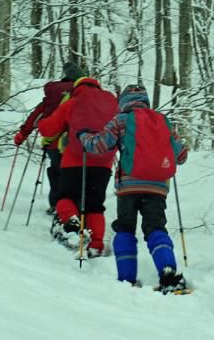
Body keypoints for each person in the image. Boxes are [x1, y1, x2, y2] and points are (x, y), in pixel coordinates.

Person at [77, 84, 189, 293]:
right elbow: (181, 156)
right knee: (156, 228)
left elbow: (99, 145)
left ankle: (127, 279)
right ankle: (168, 272)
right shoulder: (162, 121)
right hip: (157, 187)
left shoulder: (121, 120)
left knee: (125, 228)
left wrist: (83, 136)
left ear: (123, 102)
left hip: (128, 187)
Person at [37, 76, 118, 257]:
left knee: (65, 196)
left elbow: (49, 128)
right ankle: (96, 244)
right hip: (103, 163)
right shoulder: (113, 105)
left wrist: (40, 123)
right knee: (95, 205)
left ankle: (72, 222)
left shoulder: (73, 102)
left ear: (77, 87)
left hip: (74, 160)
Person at [13, 61, 85, 214]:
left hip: (53, 143)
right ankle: (76, 207)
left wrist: (22, 134)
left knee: (57, 172)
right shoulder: (84, 93)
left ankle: (57, 205)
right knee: (75, 175)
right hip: (77, 144)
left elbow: (36, 115)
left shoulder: (53, 93)